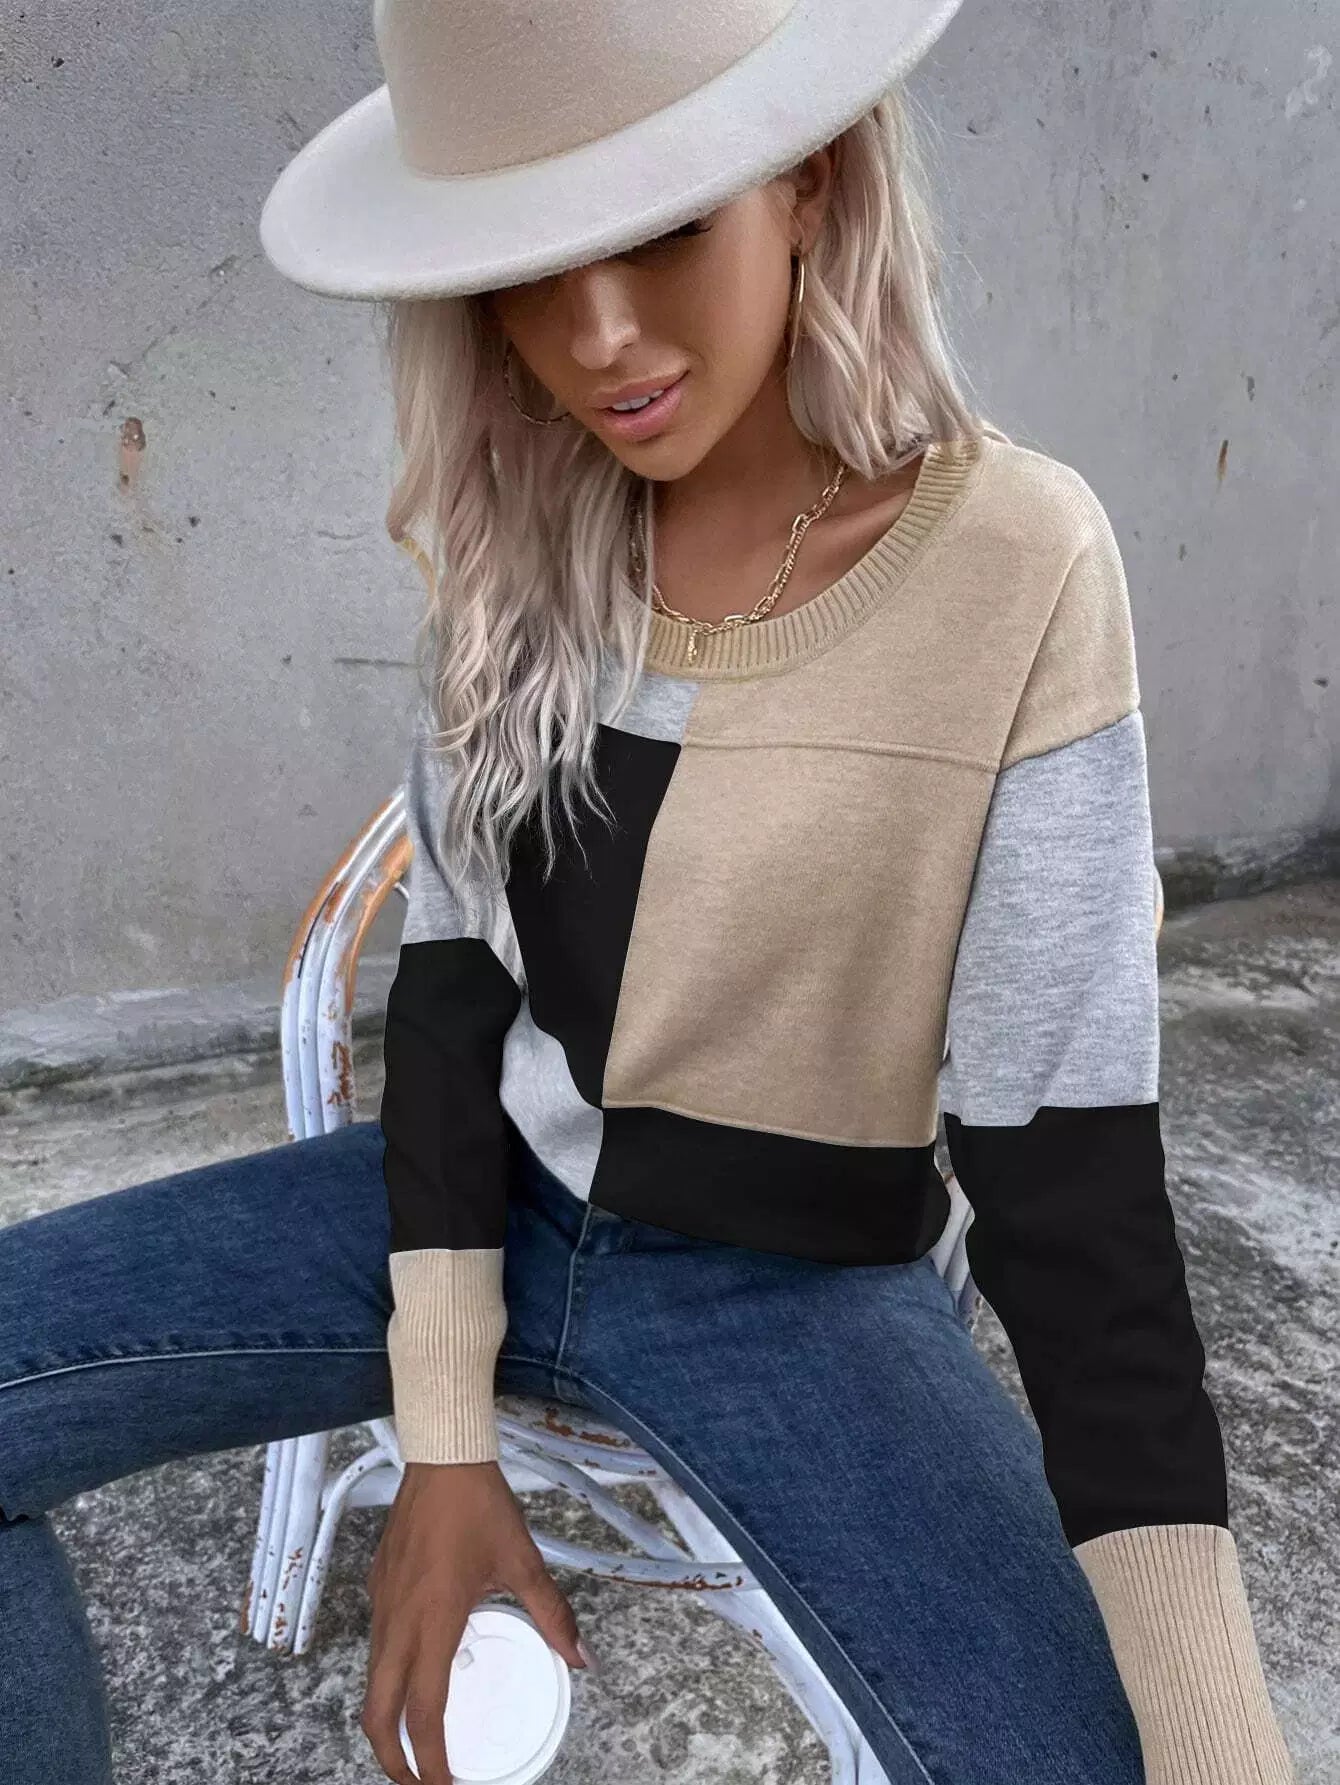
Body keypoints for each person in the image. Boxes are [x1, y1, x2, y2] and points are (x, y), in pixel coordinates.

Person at [0, 2, 1299, 1782]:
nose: (599, 334)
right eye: (530, 266)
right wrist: (443, 1437)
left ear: (811, 183)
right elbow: (453, 1006)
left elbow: (1074, 1194)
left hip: (799, 1288)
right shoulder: (519, 537)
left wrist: (1226, 1747)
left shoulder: (1020, 563)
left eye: (667, 226)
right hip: (485, 1202)